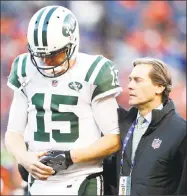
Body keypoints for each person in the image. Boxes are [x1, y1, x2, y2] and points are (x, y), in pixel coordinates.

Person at [4, 5, 122, 195]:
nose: (46, 62)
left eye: (53, 54)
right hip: (38, 181)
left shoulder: (94, 71)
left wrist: (70, 157)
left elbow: (114, 138)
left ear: (72, 43)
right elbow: (13, 133)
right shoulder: (24, 67)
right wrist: (24, 158)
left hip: (83, 177)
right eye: (40, 55)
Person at [114, 57, 187, 195]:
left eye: (138, 80)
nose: (130, 85)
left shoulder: (181, 131)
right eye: (130, 79)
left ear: (159, 87)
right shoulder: (121, 124)